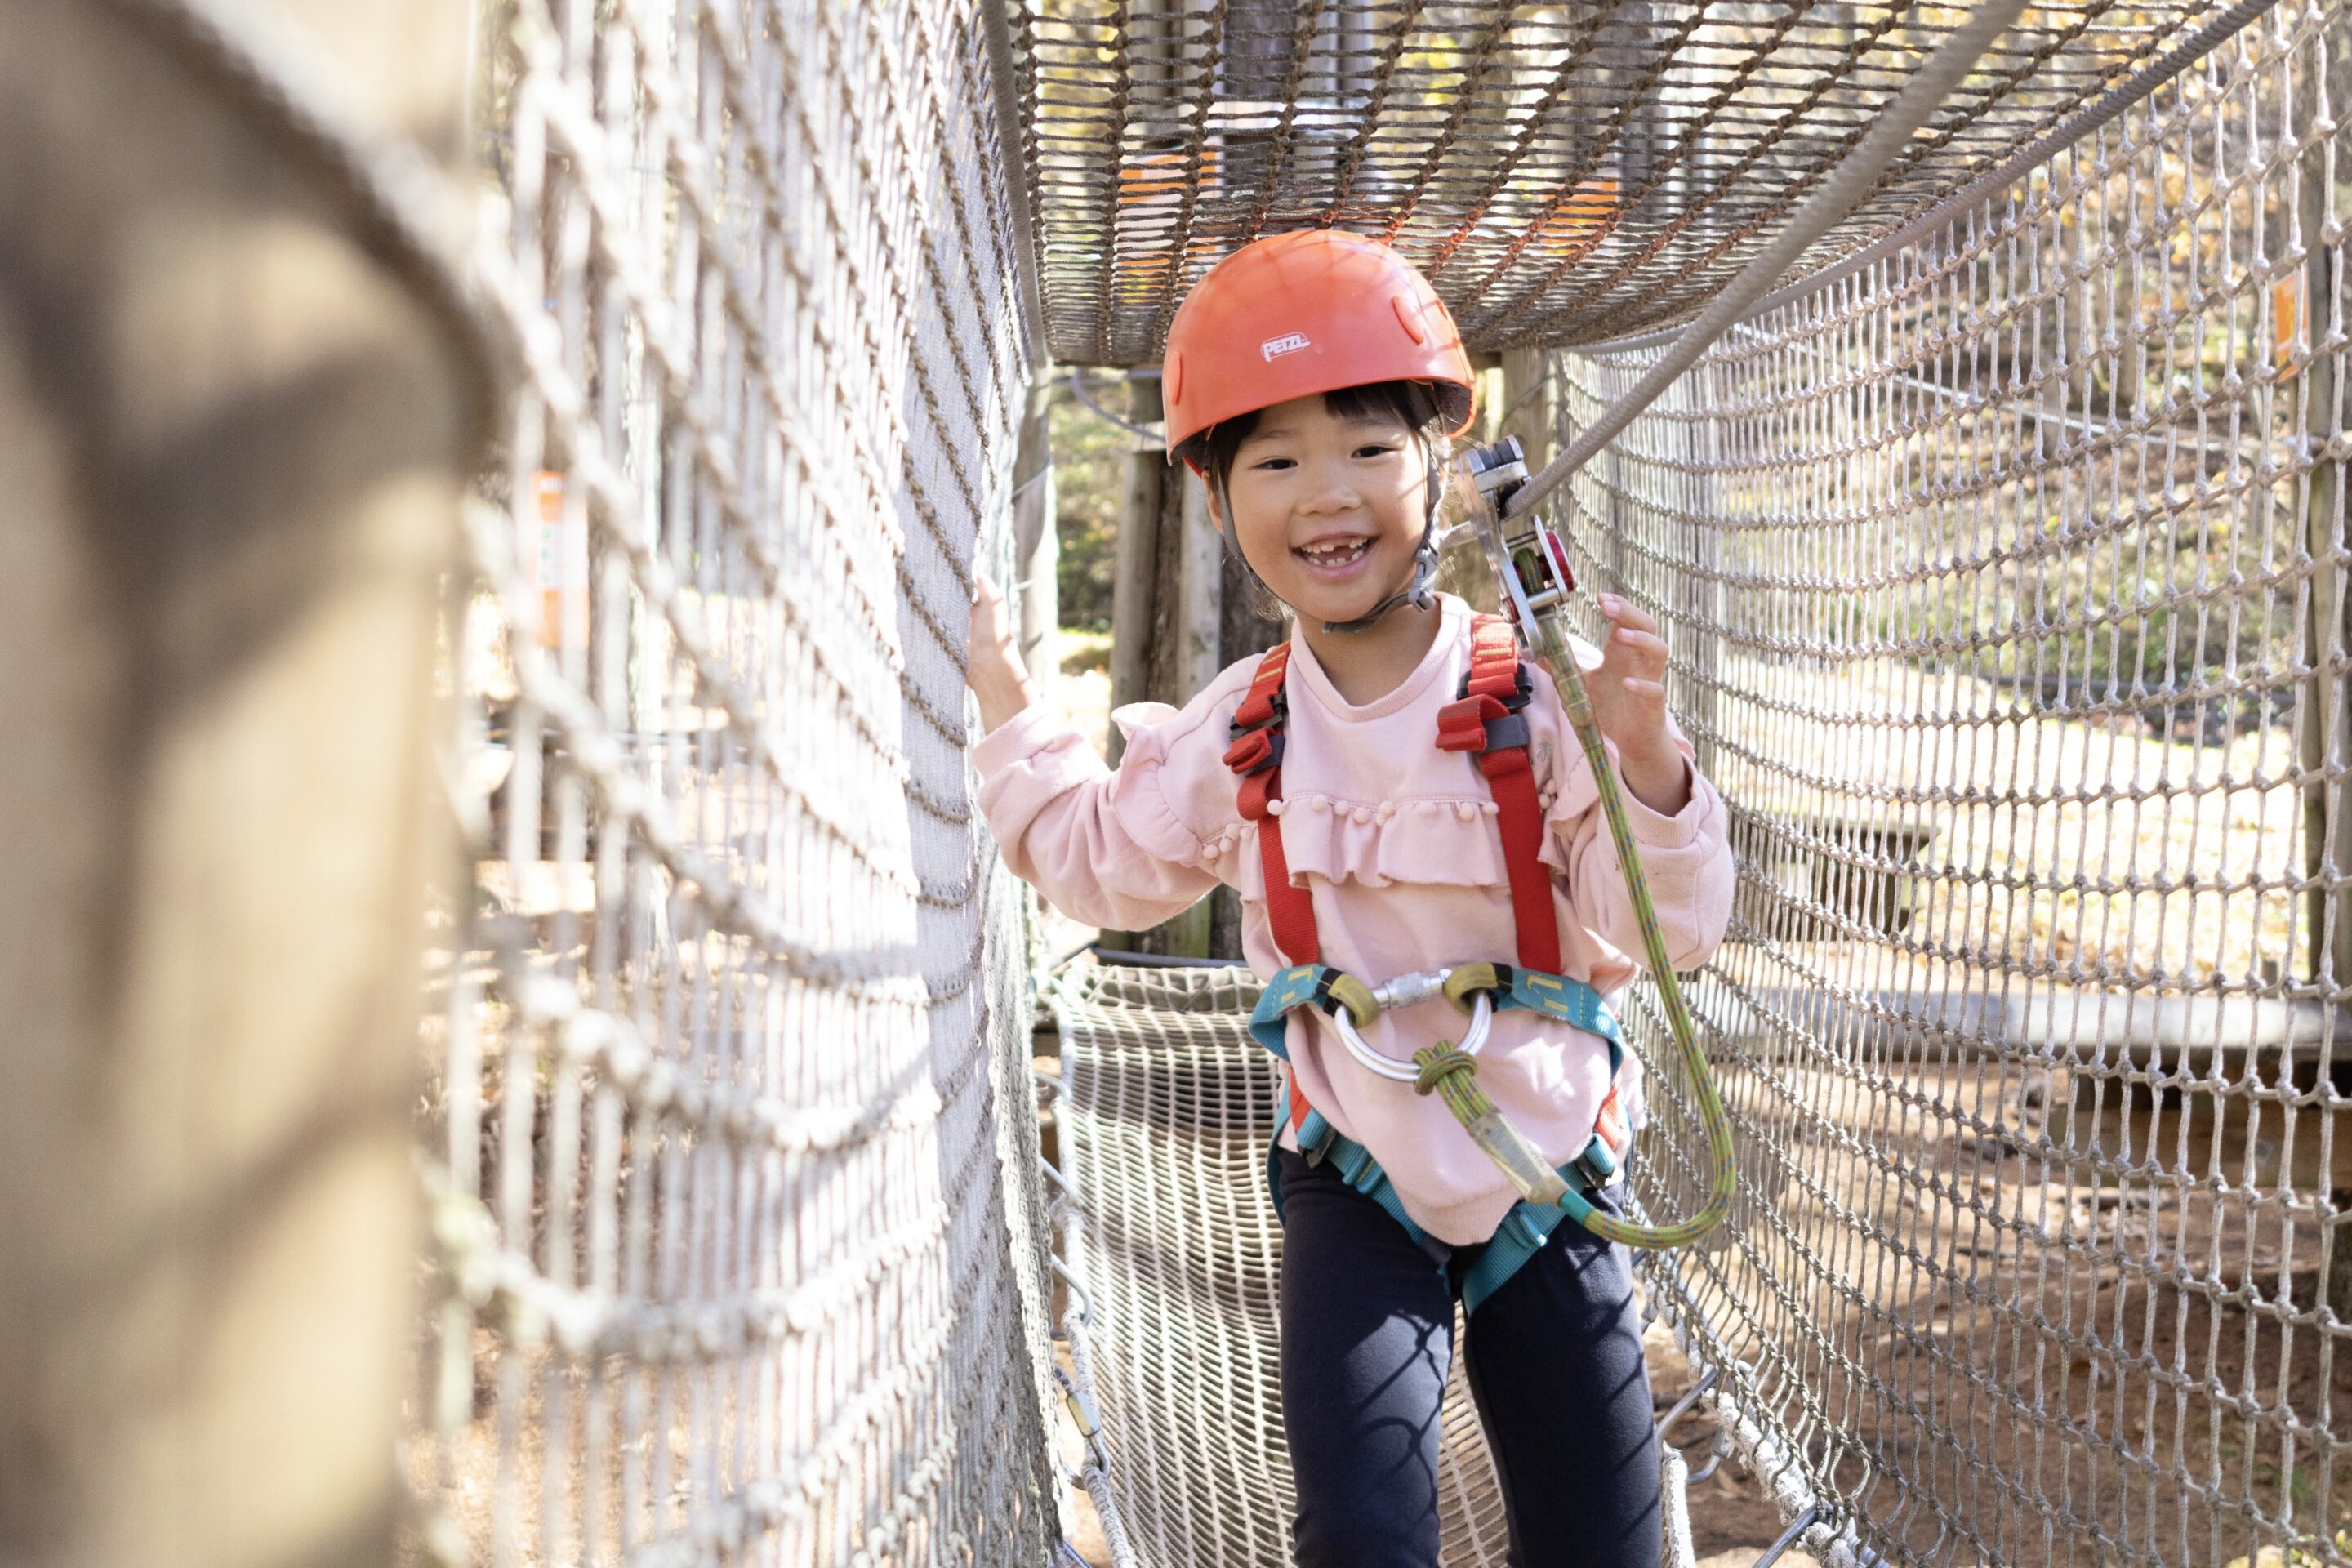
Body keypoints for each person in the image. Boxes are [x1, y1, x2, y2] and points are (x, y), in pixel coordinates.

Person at [964, 229, 1733, 1568]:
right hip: (1355, 1171)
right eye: (1275, 460)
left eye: (1371, 449)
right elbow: (1103, 868)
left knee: (1600, 1540)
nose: (1328, 495)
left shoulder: (1533, 702)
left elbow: (1659, 934)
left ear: (1443, 468)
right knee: (1363, 1529)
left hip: (1550, 1167)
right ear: (1218, 502)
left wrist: (1644, 764)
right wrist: (1015, 719)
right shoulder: (1245, 729)